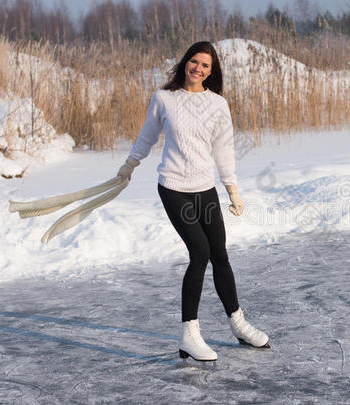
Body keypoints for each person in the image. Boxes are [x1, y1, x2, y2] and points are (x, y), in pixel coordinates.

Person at [116, 41, 270, 362]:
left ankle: (238, 323)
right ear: (185, 62)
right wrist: (129, 165)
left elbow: (224, 150)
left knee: (220, 256)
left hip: (205, 189)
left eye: (206, 66)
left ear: (211, 72)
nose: (198, 69)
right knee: (199, 253)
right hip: (173, 187)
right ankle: (189, 334)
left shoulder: (217, 104)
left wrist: (233, 190)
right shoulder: (164, 99)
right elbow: (146, 136)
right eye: (195, 62)